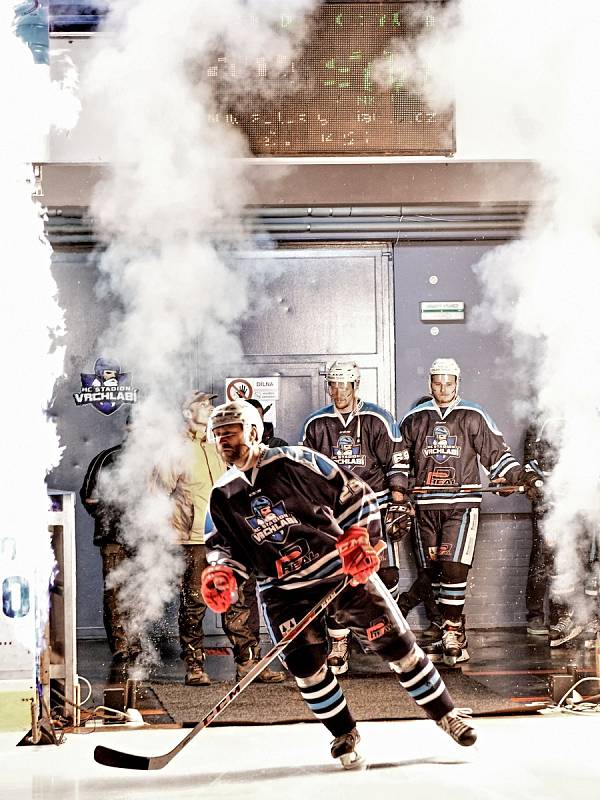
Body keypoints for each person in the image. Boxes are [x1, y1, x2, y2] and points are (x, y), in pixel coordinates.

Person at [201, 399, 476, 768]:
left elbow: (356, 494)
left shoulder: (296, 461)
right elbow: (223, 545)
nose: (222, 442)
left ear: (253, 431)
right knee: (306, 667)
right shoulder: (223, 494)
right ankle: (343, 733)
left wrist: (360, 537)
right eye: (217, 436)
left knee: (398, 646)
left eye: (229, 433)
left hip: (342, 575)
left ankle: (447, 714)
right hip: (285, 592)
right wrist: (223, 573)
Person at [399, 358, 542, 666]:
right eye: (437, 383)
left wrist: (519, 477)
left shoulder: (473, 415)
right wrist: (399, 492)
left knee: (454, 568)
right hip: (425, 507)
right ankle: (446, 629)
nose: (443, 389)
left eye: (449, 383)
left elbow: (497, 454)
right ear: (430, 383)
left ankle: (453, 631)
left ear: (457, 383)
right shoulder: (414, 419)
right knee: (435, 572)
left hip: (461, 505)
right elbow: (400, 462)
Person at [157, 391, 284, 686]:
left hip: (226, 536)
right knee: (195, 603)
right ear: (188, 413)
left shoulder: (218, 445)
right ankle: (194, 666)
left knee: (236, 599)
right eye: (203, 405)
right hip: (193, 541)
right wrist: (174, 533)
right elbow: (158, 496)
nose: (211, 408)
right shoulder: (174, 450)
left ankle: (248, 664)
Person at [299, 361, 411, 675]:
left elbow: (397, 462)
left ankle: (388, 638)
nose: (338, 392)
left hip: (373, 508)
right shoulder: (316, 423)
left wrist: (399, 500)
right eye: (333, 385)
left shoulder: (378, 418)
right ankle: (339, 642)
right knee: (337, 576)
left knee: (385, 576)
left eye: (344, 385)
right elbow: (306, 469)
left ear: (355, 385)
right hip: (335, 514)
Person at [525, 417, 597, 647]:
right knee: (558, 559)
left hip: (588, 501)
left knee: (588, 561)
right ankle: (567, 616)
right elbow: (533, 463)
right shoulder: (544, 420)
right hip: (557, 504)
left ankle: (589, 617)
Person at [80, 414, 141, 669]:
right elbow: (88, 496)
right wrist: (113, 515)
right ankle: (120, 645)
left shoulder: (156, 460)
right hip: (114, 536)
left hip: (144, 537)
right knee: (115, 592)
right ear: (127, 428)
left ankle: (137, 642)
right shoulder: (107, 458)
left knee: (141, 590)